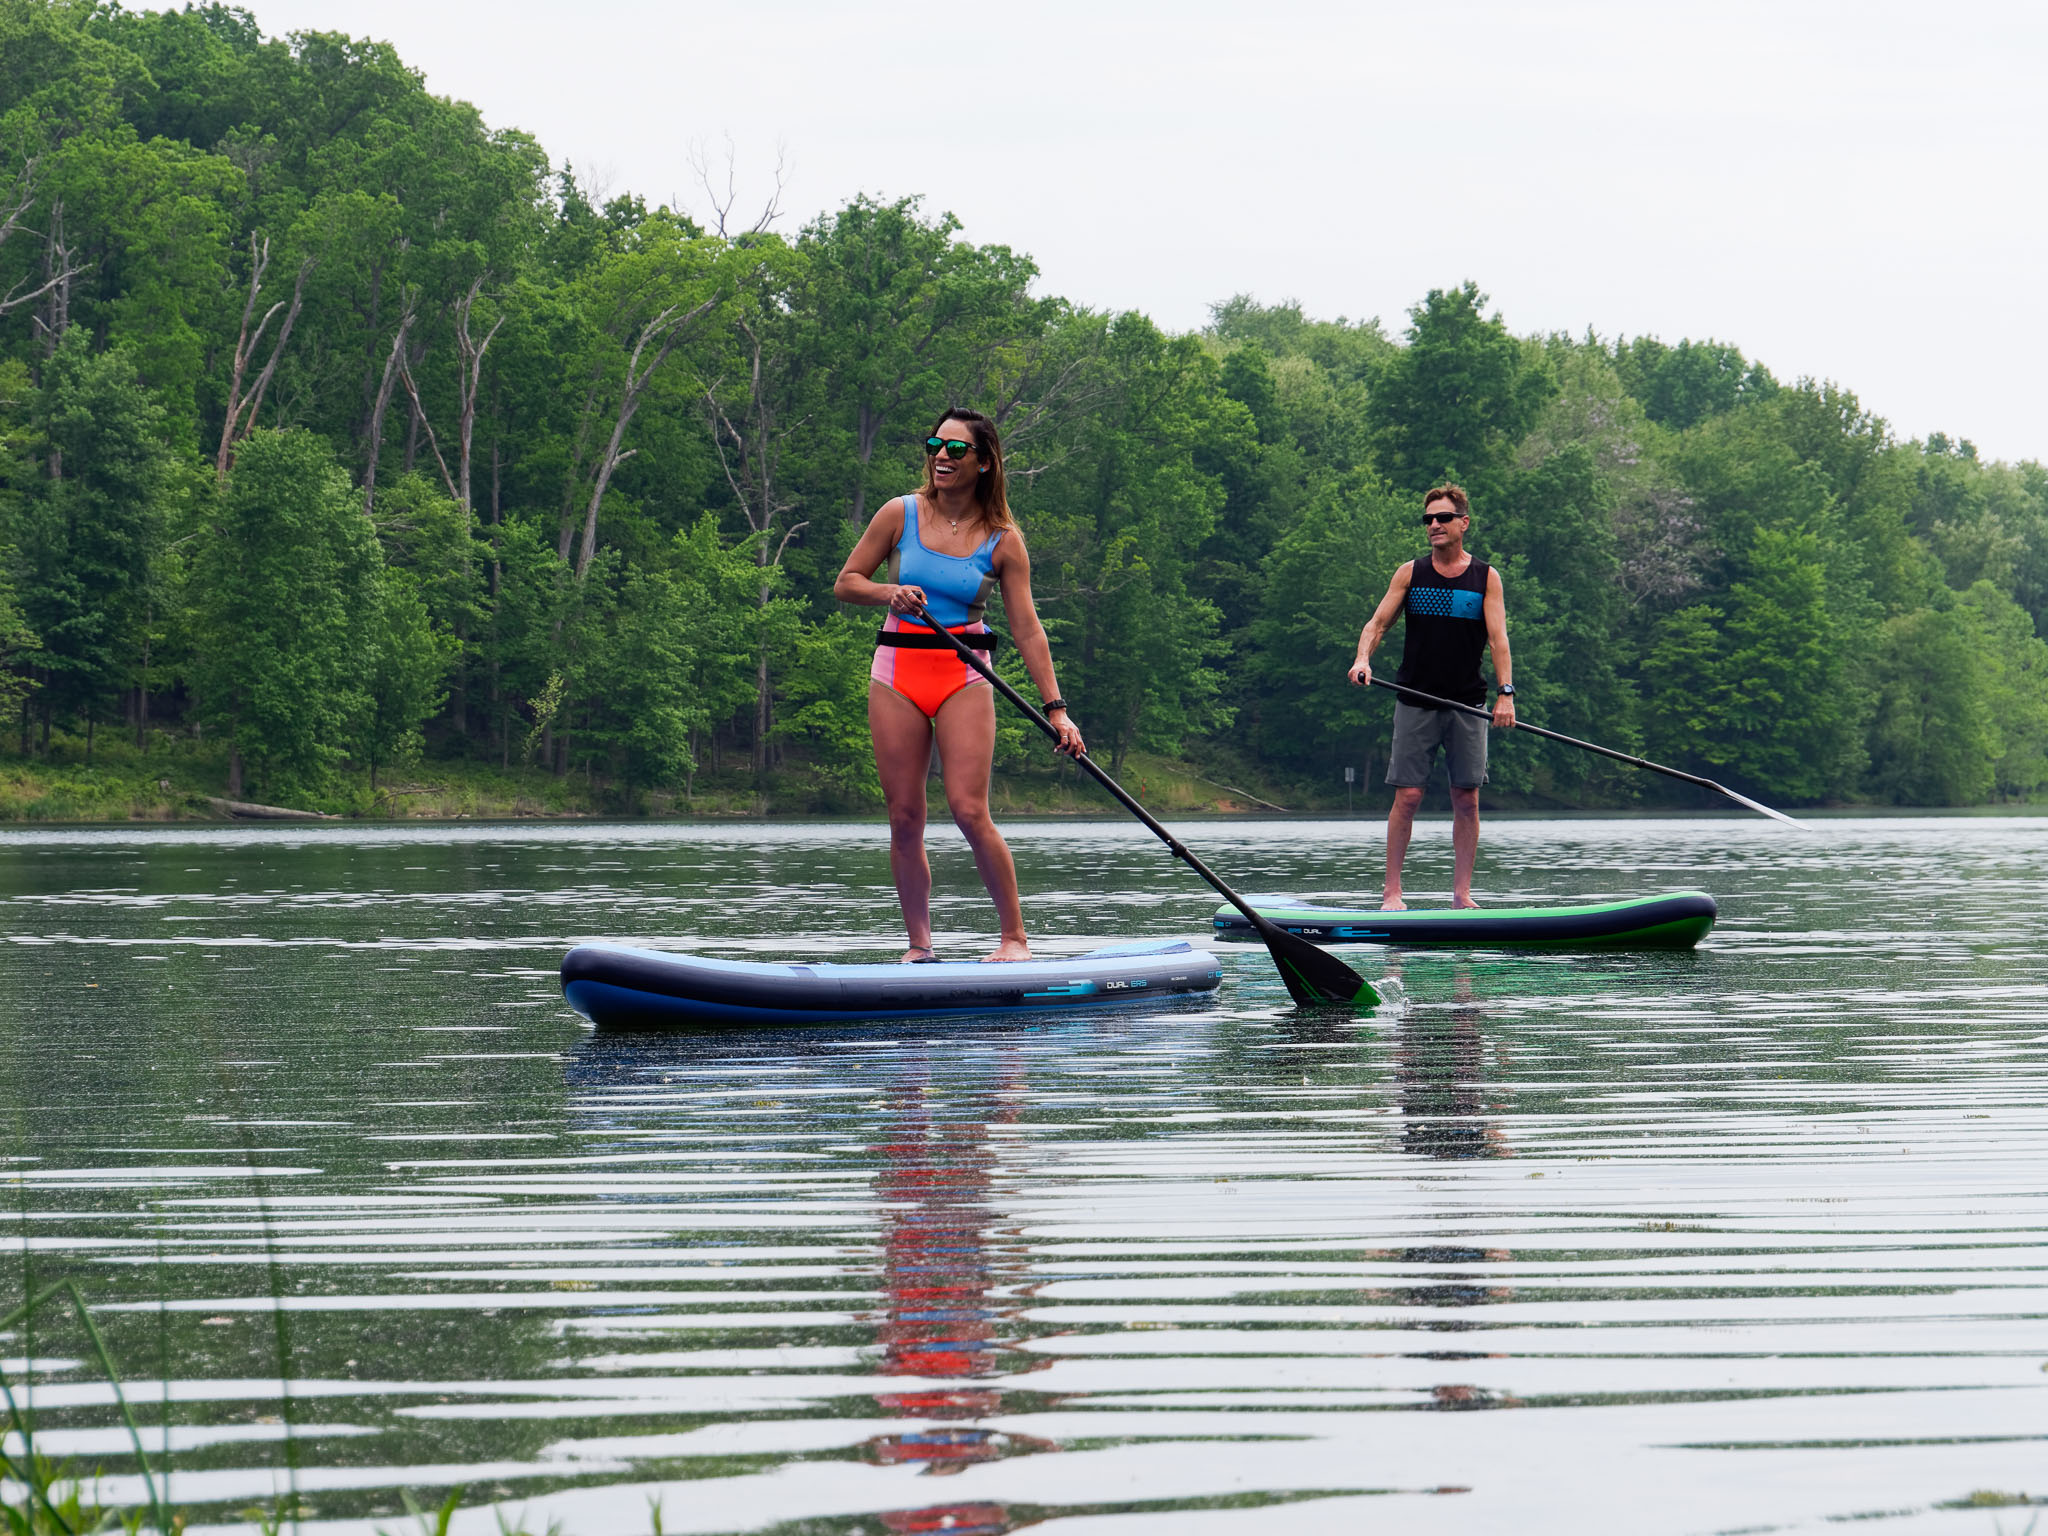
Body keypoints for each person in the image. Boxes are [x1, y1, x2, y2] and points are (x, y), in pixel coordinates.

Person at [834, 407, 1084, 963]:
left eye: (955, 449)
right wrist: (888, 594)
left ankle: (1014, 939)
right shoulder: (898, 513)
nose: (941, 456)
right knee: (904, 815)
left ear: (985, 462)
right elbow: (847, 583)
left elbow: (1026, 628)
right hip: (897, 672)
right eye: (934, 445)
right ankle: (919, 946)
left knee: (969, 811)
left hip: (964, 673)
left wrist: (1057, 710)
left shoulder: (1003, 540)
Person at [1346, 484, 1516, 910]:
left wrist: (1506, 694)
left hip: (1467, 704)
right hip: (1414, 700)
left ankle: (1461, 896)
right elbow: (1378, 623)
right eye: (1428, 520)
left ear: (1463, 523)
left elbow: (1498, 640)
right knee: (1408, 796)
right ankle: (1392, 894)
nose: (1434, 526)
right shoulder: (1411, 573)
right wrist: (1363, 658)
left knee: (1467, 798)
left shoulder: (1486, 577)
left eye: (1442, 518)